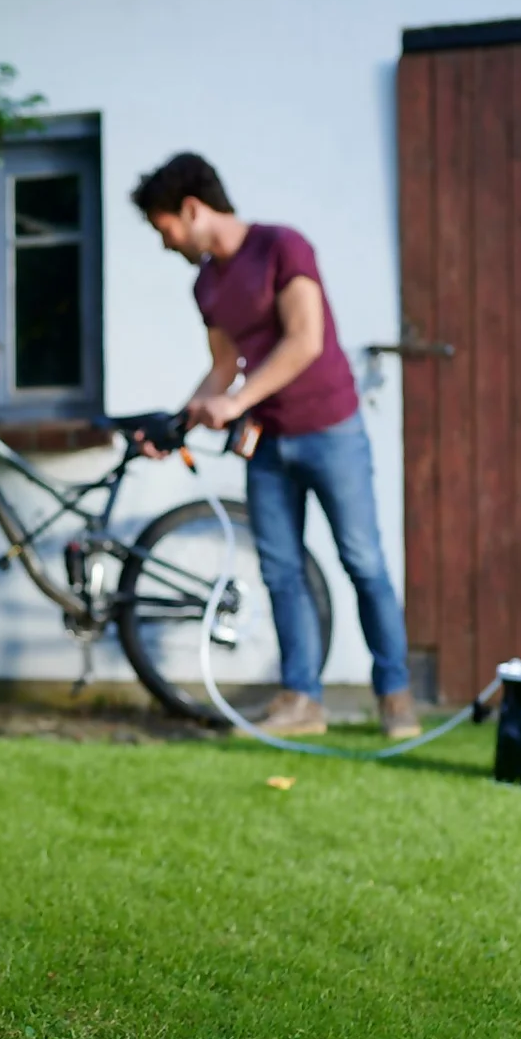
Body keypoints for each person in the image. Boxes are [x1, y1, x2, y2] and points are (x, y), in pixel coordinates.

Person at [130, 152, 420, 739]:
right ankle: (302, 700)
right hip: (268, 445)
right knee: (282, 571)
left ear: (192, 209)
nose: (166, 244)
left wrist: (237, 401)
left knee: (362, 561)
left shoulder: (283, 247)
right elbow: (223, 368)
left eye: (165, 229)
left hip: (331, 431)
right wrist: (176, 426)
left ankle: (395, 696)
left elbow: (305, 340)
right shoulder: (206, 284)